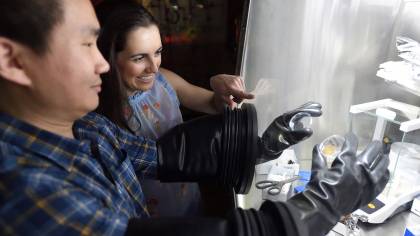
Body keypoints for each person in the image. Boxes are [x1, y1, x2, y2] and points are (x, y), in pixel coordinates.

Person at [0, 0, 389, 236]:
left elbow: (166, 155)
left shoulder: (89, 128)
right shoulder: (26, 189)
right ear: (12, 59)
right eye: (87, 44)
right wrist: (329, 199)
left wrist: (263, 144)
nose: (102, 64)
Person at [94, 1, 254, 217]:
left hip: (187, 196)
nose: (154, 66)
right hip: (147, 217)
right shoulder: (97, 113)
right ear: (108, 58)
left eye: (157, 52)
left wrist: (221, 91)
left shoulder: (164, 80)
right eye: (139, 57)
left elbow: (212, 103)